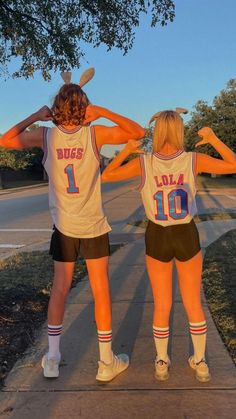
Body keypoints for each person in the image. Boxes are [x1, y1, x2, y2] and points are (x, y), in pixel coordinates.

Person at [0, 69, 145, 382]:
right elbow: (137, 132)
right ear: (85, 107)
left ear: (57, 106)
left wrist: (35, 115)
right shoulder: (96, 134)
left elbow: (5, 139)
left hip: (64, 227)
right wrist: (103, 112)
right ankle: (106, 361)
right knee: (101, 290)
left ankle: (52, 358)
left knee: (60, 291)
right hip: (92, 225)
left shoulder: (46, 135)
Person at [102, 109, 236, 382]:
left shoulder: (145, 163)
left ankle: (162, 361)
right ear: (179, 131)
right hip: (185, 232)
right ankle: (200, 362)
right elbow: (233, 164)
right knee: (192, 302)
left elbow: (107, 175)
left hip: (157, 234)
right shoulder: (192, 160)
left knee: (162, 302)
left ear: (157, 132)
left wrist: (127, 149)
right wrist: (212, 137)